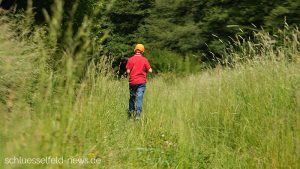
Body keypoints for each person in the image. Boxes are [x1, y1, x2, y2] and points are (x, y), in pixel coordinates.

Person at [126, 44, 152, 120]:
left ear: (135, 50)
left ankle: (131, 114)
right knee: (139, 98)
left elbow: (128, 71)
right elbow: (150, 70)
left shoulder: (130, 59)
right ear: (142, 51)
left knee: (132, 98)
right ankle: (138, 114)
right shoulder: (145, 60)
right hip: (141, 82)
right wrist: (145, 70)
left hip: (132, 82)